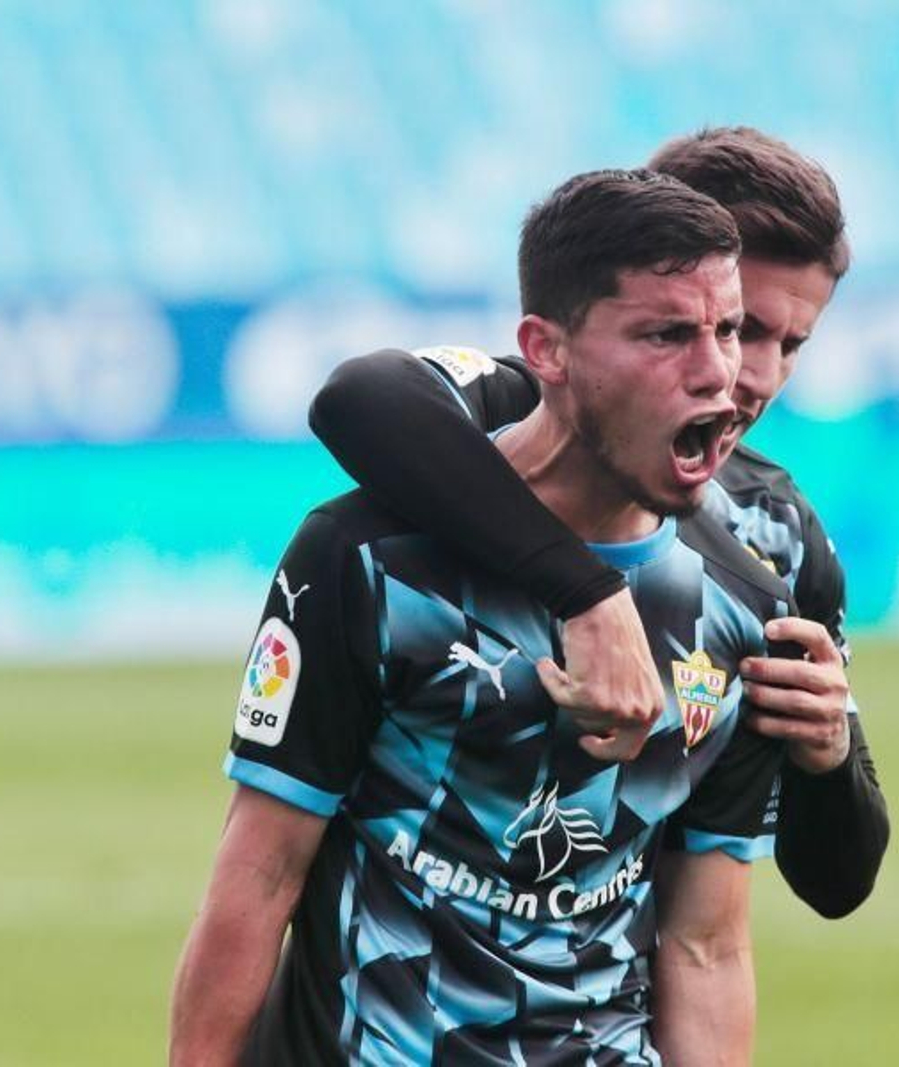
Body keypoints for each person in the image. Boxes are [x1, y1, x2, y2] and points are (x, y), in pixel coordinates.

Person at [172, 169, 795, 1065]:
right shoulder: (370, 561)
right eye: (665, 334)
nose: (718, 374)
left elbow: (707, 944)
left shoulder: (744, 606)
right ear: (545, 350)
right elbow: (260, 876)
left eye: (727, 330)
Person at [309, 127, 887, 919]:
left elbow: (837, 883)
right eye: (741, 326)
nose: (755, 375)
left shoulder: (777, 533)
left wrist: (830, 754)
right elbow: (358, 396)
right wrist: (587, 590)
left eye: (791, 344)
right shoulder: (520, 410)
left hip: (617, 986)